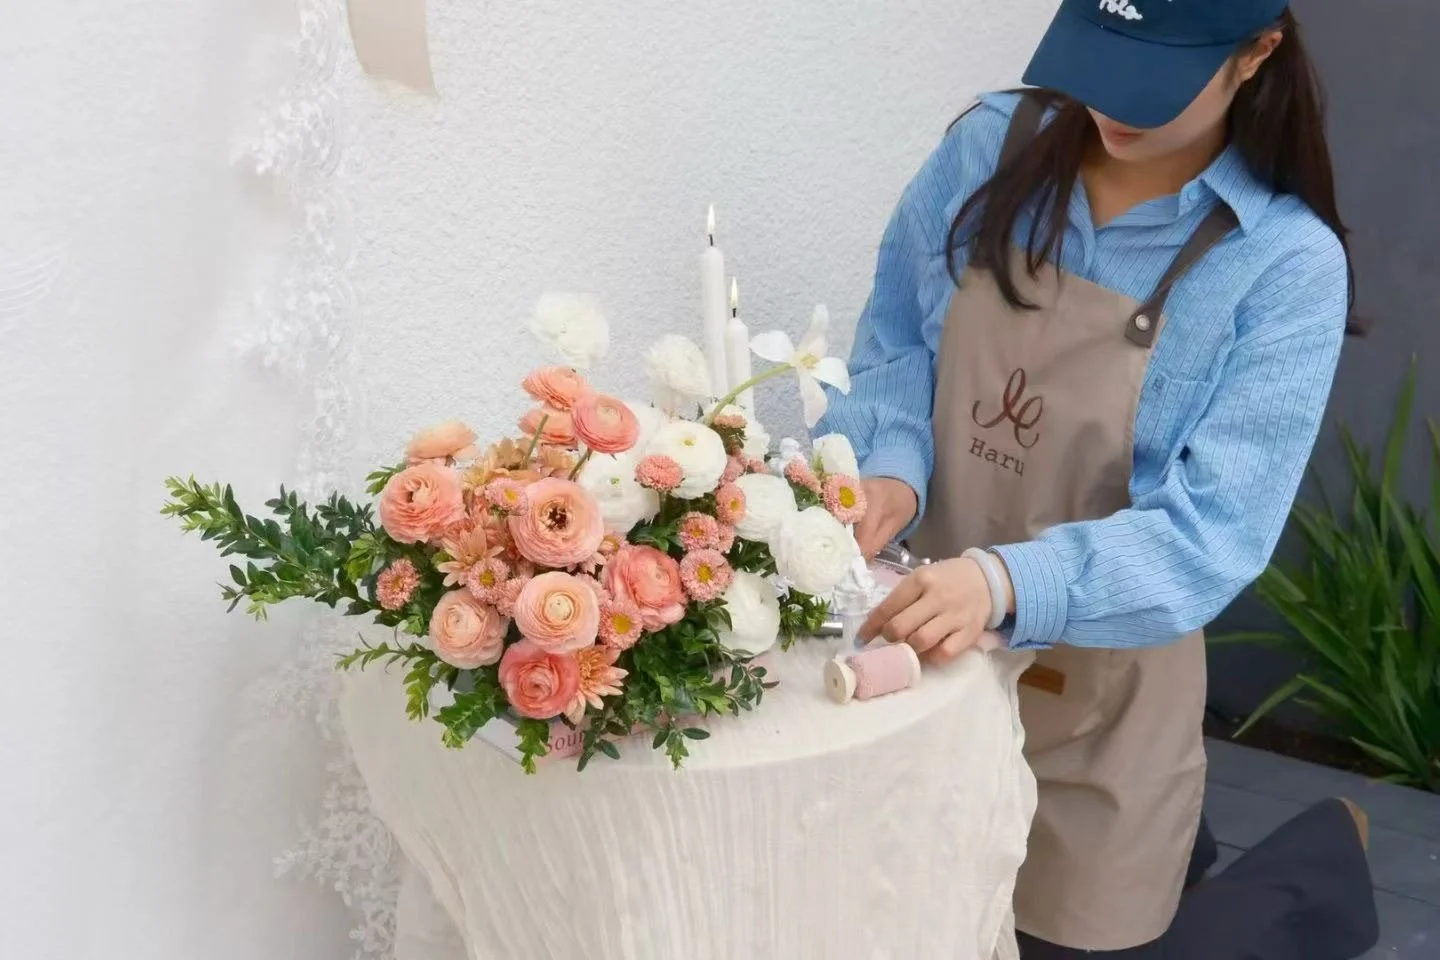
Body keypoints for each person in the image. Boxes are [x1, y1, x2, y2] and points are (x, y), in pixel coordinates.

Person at [817, 1, 1381, 956]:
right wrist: (889, 471)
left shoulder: (1283, 264)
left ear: (1258, 54)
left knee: (1073, 931)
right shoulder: (990, 145)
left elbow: (1214, 532)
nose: (1113, 104)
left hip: (1103, 689)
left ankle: (1316, 859)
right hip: (911, 647)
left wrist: (1001, 582)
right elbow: (898, 341)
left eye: (1154, 74)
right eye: (1100, 57)